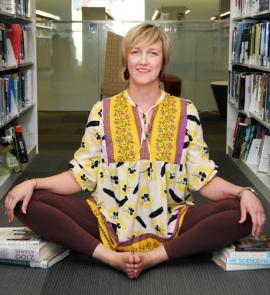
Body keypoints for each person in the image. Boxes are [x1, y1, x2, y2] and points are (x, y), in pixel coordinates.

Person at [4, 23, 266, 279]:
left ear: (163, 62)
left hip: (172, 220)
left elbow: (203, 179)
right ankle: (109, 256)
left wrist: (244, 191)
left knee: (239, 212)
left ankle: (157, 256)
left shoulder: (186, 111)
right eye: (135, 52)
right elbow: (80, 175)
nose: (143, 61)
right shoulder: (102, 110)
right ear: (126, 60)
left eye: (152, 53)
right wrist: (33, 182)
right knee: (29, 201)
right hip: (106, 220)